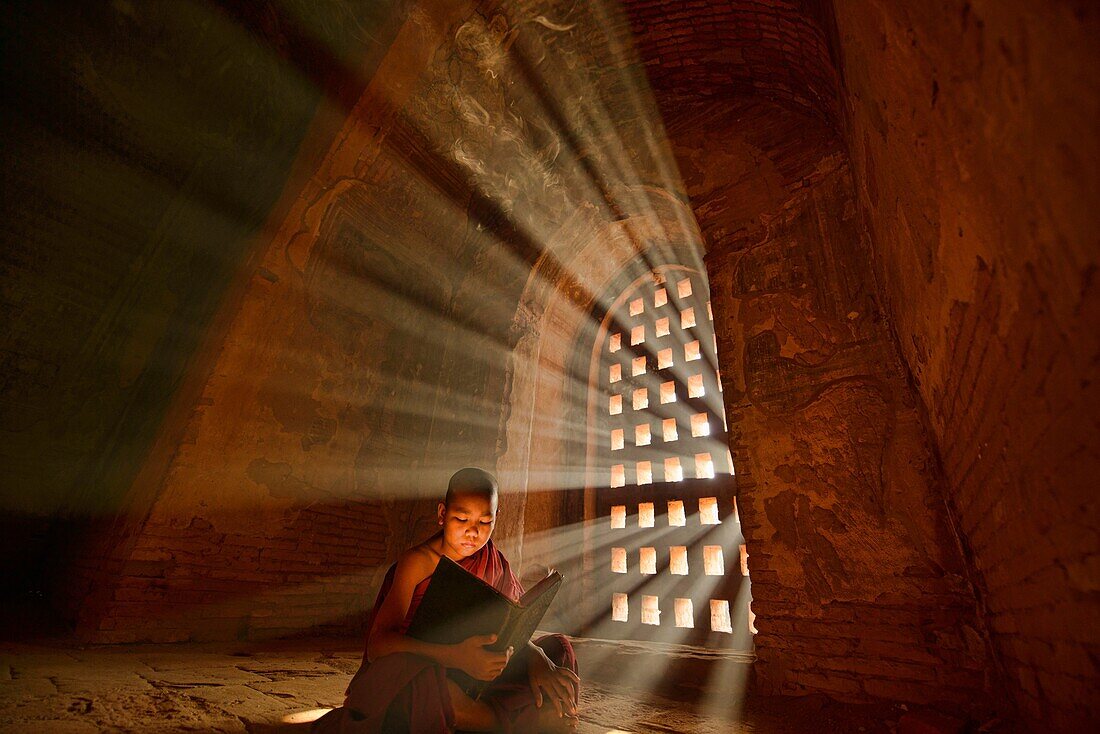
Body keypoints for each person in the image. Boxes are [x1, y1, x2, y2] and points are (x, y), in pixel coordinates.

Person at [313, 468, 579, 733]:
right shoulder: (418, 563)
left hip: (474, 670)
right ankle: (509, 723)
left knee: (558, 649)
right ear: (442, 514)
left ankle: (491, 717)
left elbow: (512, 622)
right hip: (418, 665)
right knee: (426, 685)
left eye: (484, 522)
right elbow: (378, 645)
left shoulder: (493, 560)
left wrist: (536, 656)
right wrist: (455, 657)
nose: (473, 532)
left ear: (497, 517)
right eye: (461, 519)